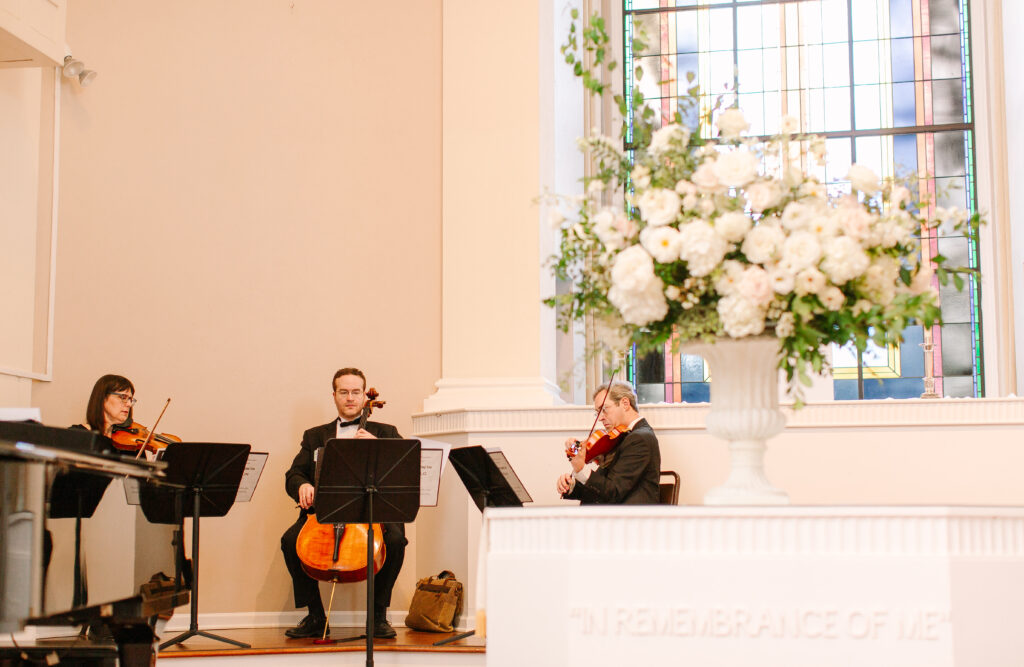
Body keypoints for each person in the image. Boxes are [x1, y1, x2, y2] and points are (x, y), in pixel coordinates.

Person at [281, 368, 407, 640]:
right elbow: (294, 474)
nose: (350, 398)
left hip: (373, 510)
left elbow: (403, 469)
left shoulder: (385, 432)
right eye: (343, 392)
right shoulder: (315, 435)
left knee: (395, 540)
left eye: (356, 392)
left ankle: (377, 618)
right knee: (290, 540)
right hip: (327, 510)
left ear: (365, 396)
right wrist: (302, 485)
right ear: (334, 395)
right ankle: (315, 616)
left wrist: (379, 447)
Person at [556, 381, 661, 504]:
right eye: (597, 412)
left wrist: (581, 470)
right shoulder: (619, 438)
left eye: (604, 409)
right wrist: (572, 485)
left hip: (629, 519)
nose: (600, 417)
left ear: (625, 404)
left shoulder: (639, 439)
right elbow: (601, 491)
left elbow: (613, 493)